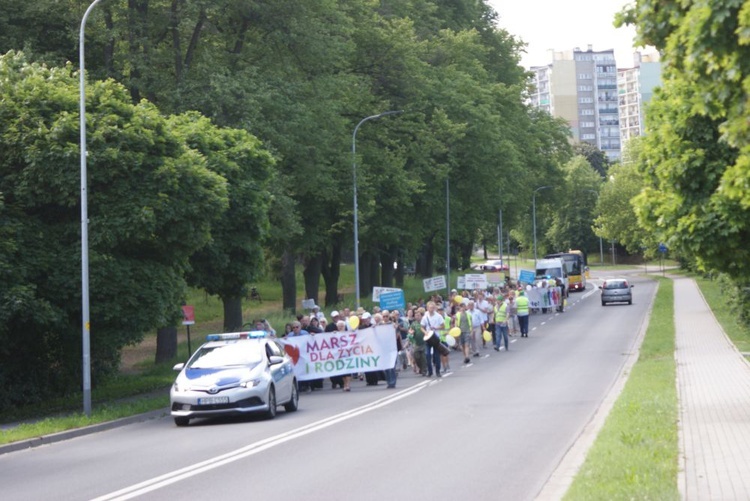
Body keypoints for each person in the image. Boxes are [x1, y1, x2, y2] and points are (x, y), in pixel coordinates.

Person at [420, 301, 445, 377]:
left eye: (433, 307)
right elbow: (422, 327)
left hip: (436, 336)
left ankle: (438, 371)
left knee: (436, 355)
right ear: (427, 308)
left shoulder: (438, 316)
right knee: (427, 354)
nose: (431, 309)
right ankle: (430, 371)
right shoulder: (425, 317)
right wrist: (425, 332)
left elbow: (443, 326)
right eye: (430, 307)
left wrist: (436, 328)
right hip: (428, 337)